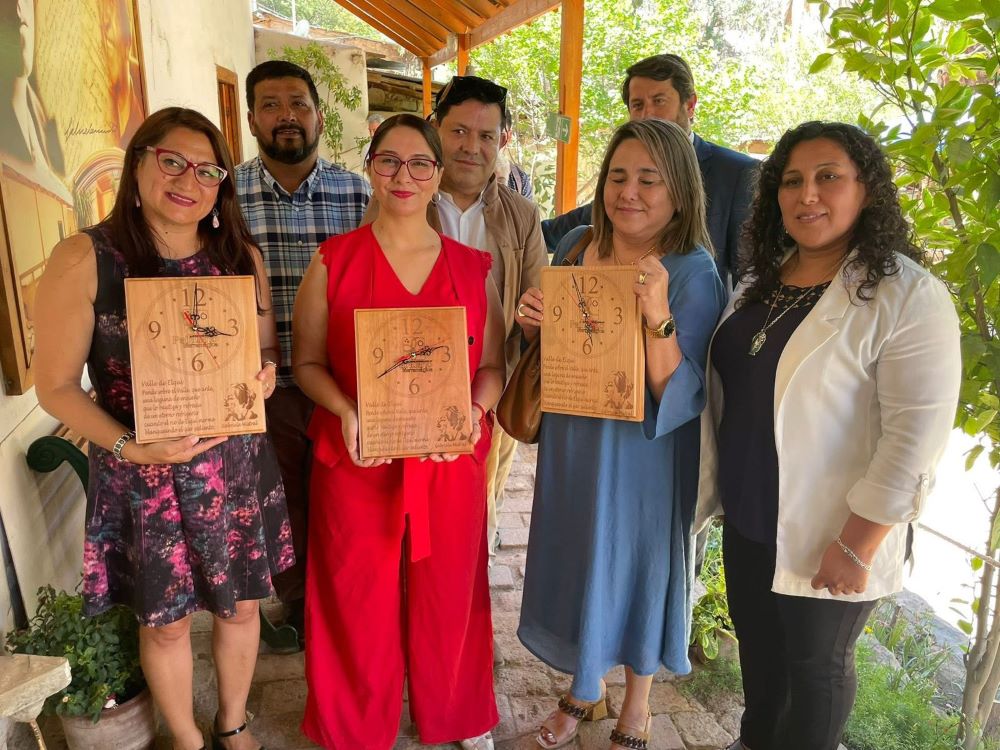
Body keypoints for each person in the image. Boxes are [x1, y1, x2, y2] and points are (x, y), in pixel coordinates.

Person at [694, 121, 961, 750]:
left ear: (866, 189)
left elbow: (914, 439)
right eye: (791, 181)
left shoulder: (906, 295)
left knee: (815, 670)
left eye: (828, 177)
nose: (806, 194)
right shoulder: (761, 280)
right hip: (752, 517)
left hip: (833, 532)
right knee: (760, 660)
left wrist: (858, 544)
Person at [32, 107, 292, 750]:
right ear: (139, 162)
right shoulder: (87, 258)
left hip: (232, 468)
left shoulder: (239, 256)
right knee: (166, 621)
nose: (188, 180)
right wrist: (130, 446)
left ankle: (233, 721)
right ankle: (185, 736)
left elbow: (264, 350)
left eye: (207, 170)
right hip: (142, 472)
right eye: (172, 161)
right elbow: (55, 386)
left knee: (241, 605)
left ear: (222, 184)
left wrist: (263, 375)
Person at [293, 114, 505, 750]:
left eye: (419, 163)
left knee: (451, 591)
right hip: (356, 459)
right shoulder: (333, 262)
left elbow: (492, 369)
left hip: (447, 460)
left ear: (438, 174)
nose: (403, 176)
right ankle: (354, 726)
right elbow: (306, 363)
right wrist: (345, 409)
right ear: (370, 168)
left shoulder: (472, 268)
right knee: (354, 596)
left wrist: (472, 414)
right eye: (388, 161)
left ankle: (456, 713)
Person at [516, 119, 726, 750]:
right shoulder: (576, 244)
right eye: (617, 176)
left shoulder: (691, 271)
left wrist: (657, 313)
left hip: (644, 456)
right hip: (573, 441)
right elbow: (560, 346)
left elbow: (681, 392)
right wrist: (534, 323)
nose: (628, 192)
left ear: (680, 191)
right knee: (581, 555)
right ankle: (584, 688)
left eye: (648, 179)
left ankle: (638, 703)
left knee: (633, 565)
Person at [364, 75, 547, 560]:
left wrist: (535, 320)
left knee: (475, 513)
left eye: (486, 135)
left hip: (489, 392)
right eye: (459, 131)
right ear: (437, 129)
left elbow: (537, 302)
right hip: (405, 389)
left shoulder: (522, 217)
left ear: (502, 140)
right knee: (402, 518)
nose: (471, 146)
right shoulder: (396, 200)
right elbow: (367, 293)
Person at [235, 60, 368, 640]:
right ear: (251, 119)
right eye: (271, 104)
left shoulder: (358, 192)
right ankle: (298, 606)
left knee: (344, 500)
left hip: (341, 384)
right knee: (281, 501)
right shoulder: (224, 195)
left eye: (298, 103)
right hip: (261, 387)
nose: (286, 115)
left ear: (319, 116)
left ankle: (348, 599)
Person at [541, 53, 757, 289]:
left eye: (659, 101)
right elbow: (555, 231)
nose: (647, 115)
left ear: (690, 105)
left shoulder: (737, 173)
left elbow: (750, 276)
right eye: (638, 105)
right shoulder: (621, 195)